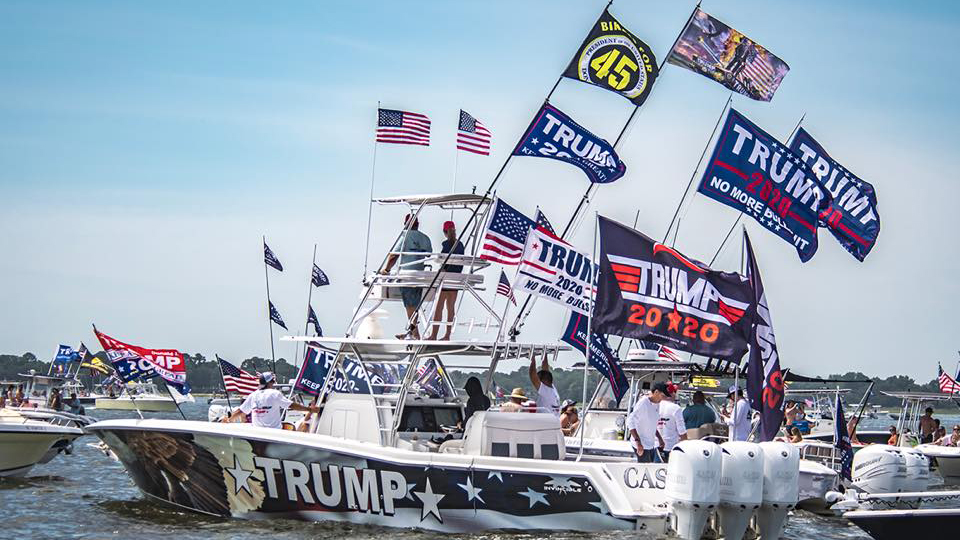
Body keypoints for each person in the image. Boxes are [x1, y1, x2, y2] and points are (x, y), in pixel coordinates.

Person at [380, 214, 433, 340]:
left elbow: (394, 256)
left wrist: (386, 269)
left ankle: (414, 333)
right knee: (414, 305)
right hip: (420, 276)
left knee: (409, 305)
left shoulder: (404, 236)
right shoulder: (425, 238)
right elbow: (429, 254)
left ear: (405, 224)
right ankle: (413, 331)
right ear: (418, 224)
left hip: (407, 275)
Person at [223, 372, 319, 429]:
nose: (273, 383)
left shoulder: (253, 395)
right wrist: (310, 410)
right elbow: (291, 405)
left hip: (257, 433)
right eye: (273, 381)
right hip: (274, 432)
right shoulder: (274, 393)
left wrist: (229, 419)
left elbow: (241, 411)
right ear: (269, 382)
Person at [428, 221, 464, 341]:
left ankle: (433, 335)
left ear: (445, 232)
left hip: (446, 279)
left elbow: (443, 261)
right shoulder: (460, 245)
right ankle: (447, 335)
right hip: (456, 279)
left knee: (438, 307)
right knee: (451, 308)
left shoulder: (446, 244)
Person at [627, 382, 668, 463]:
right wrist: (638, 442)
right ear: (656, 392)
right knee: (643, 471)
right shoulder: (643, 403)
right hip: (641, 445)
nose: (663, 398)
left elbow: (652, 424)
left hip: (650, 445)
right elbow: (630, 421)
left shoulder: (657, 404)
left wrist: (660, 438)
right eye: (662, 395)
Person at [657, 383, 687, 462]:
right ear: (671, 393)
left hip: (654, 447)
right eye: (675, 392)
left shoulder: (654, 405)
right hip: (670, 448)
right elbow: (682, 431)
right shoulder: (675, 408)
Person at [529, 350, 560, 416]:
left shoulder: (546, 392)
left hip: (545, 424)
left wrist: (533, 358)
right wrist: (545, 354)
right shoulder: (552, 390)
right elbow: (546, 369)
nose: (539, 382)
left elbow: (532, 375)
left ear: (544, 381)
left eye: (539, 380)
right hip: (552, 422)